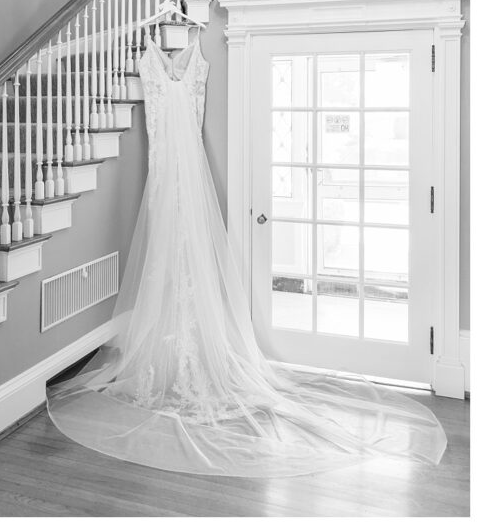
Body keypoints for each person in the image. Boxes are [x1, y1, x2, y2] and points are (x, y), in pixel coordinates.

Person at [47, 31, 446, 478]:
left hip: (188, 178)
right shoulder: (159, 63)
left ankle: (193, 353)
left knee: (192, 261)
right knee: (167, 259)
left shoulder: (192, 59)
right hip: (163, 178)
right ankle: (171, 348)